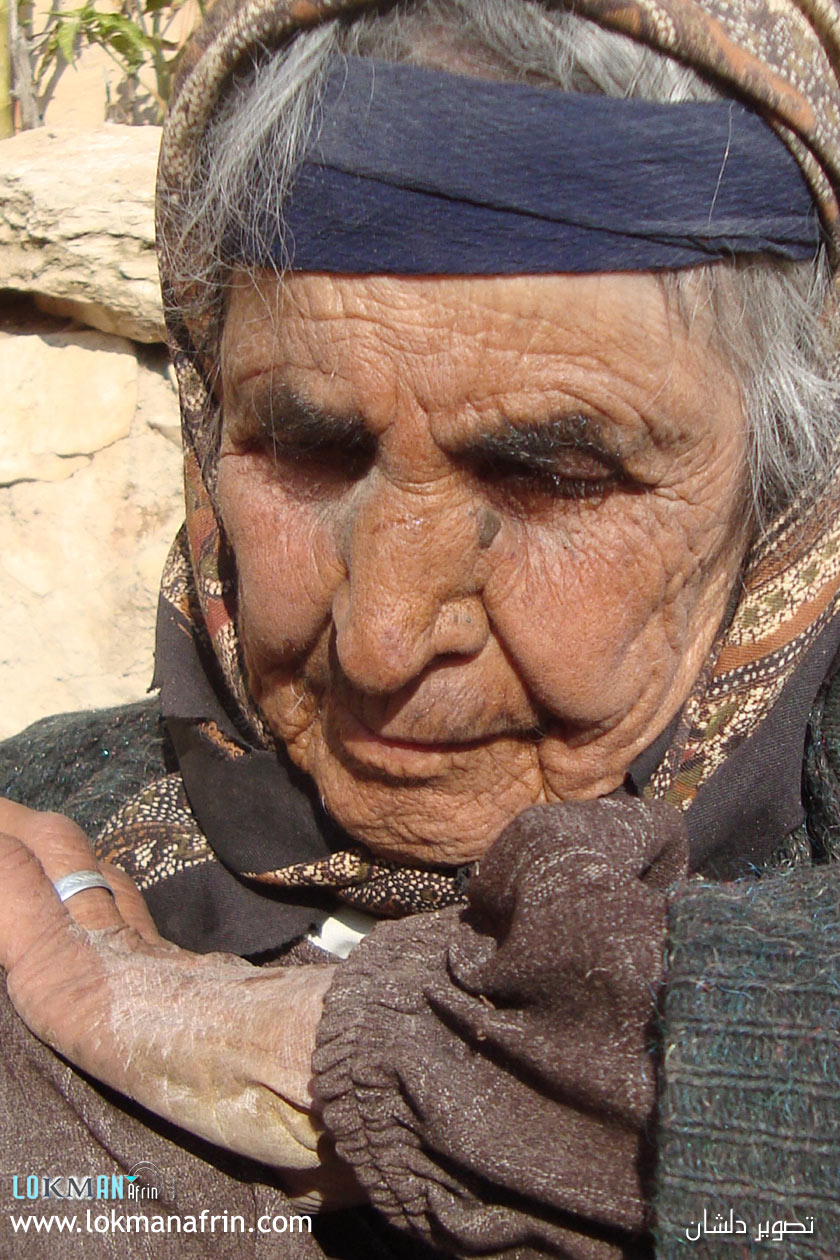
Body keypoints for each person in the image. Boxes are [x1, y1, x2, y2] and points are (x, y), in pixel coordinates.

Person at [2, 0, 840, 1256]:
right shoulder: (48, 827)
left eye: (554, 477)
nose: (381, 641)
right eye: (305, 446)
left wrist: (372, 1054)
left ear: (782, 484)